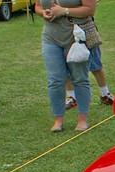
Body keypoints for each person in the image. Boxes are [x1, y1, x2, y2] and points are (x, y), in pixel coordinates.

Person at [35, 0, 96, 132]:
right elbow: (38, 6)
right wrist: (42, 12)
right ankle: (58, 120)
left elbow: (90, 9)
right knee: (55, 80)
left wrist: (65, 11)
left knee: (79, 78)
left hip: (77, 37)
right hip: (50, 37)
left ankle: (82, 119)